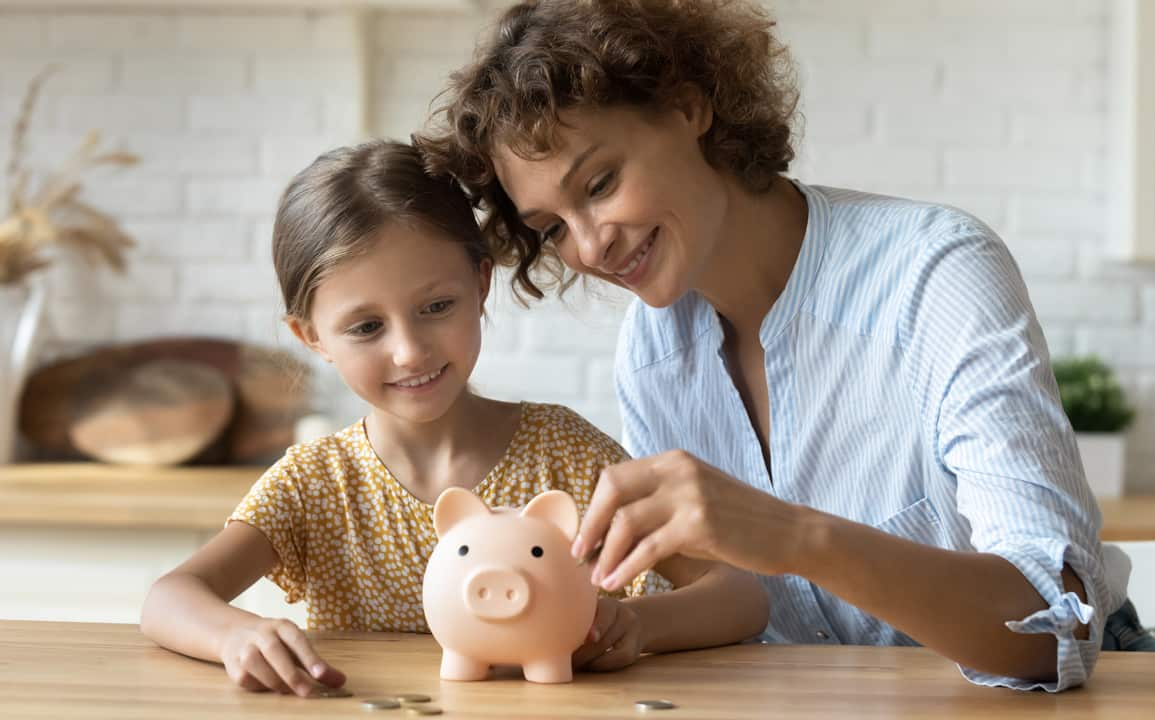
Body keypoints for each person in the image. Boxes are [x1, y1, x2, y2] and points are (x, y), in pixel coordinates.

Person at [416, 0, 1133, 691]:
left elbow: (1055, 631)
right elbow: (743, 607)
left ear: (688, 106)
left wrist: (793, 537)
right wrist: (622, 621)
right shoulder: (654, 350)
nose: (591, 243)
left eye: (600, 183)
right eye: (552, 226)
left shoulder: (934, 274)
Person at [139, 139, 768, 696]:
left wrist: (637, 623)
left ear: (481, 284)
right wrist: (238, 636)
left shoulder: (566, 456)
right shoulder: (315, 485)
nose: (410, 350)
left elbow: (740, 593)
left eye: (437, 306)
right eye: (366, 327)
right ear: (312, 337)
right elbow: (170, 597)